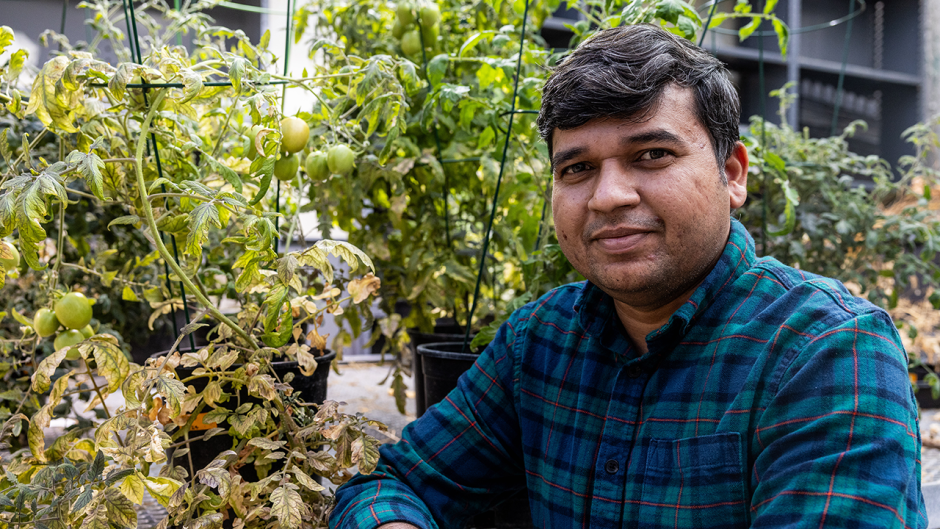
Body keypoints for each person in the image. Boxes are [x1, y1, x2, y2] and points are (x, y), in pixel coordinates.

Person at [330, 24, 925, 529]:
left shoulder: (826, 351)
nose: (609, 196)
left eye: (652, 155)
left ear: (733, 174)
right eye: (578, 168)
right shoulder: (538, 341)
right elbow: (391, 484)